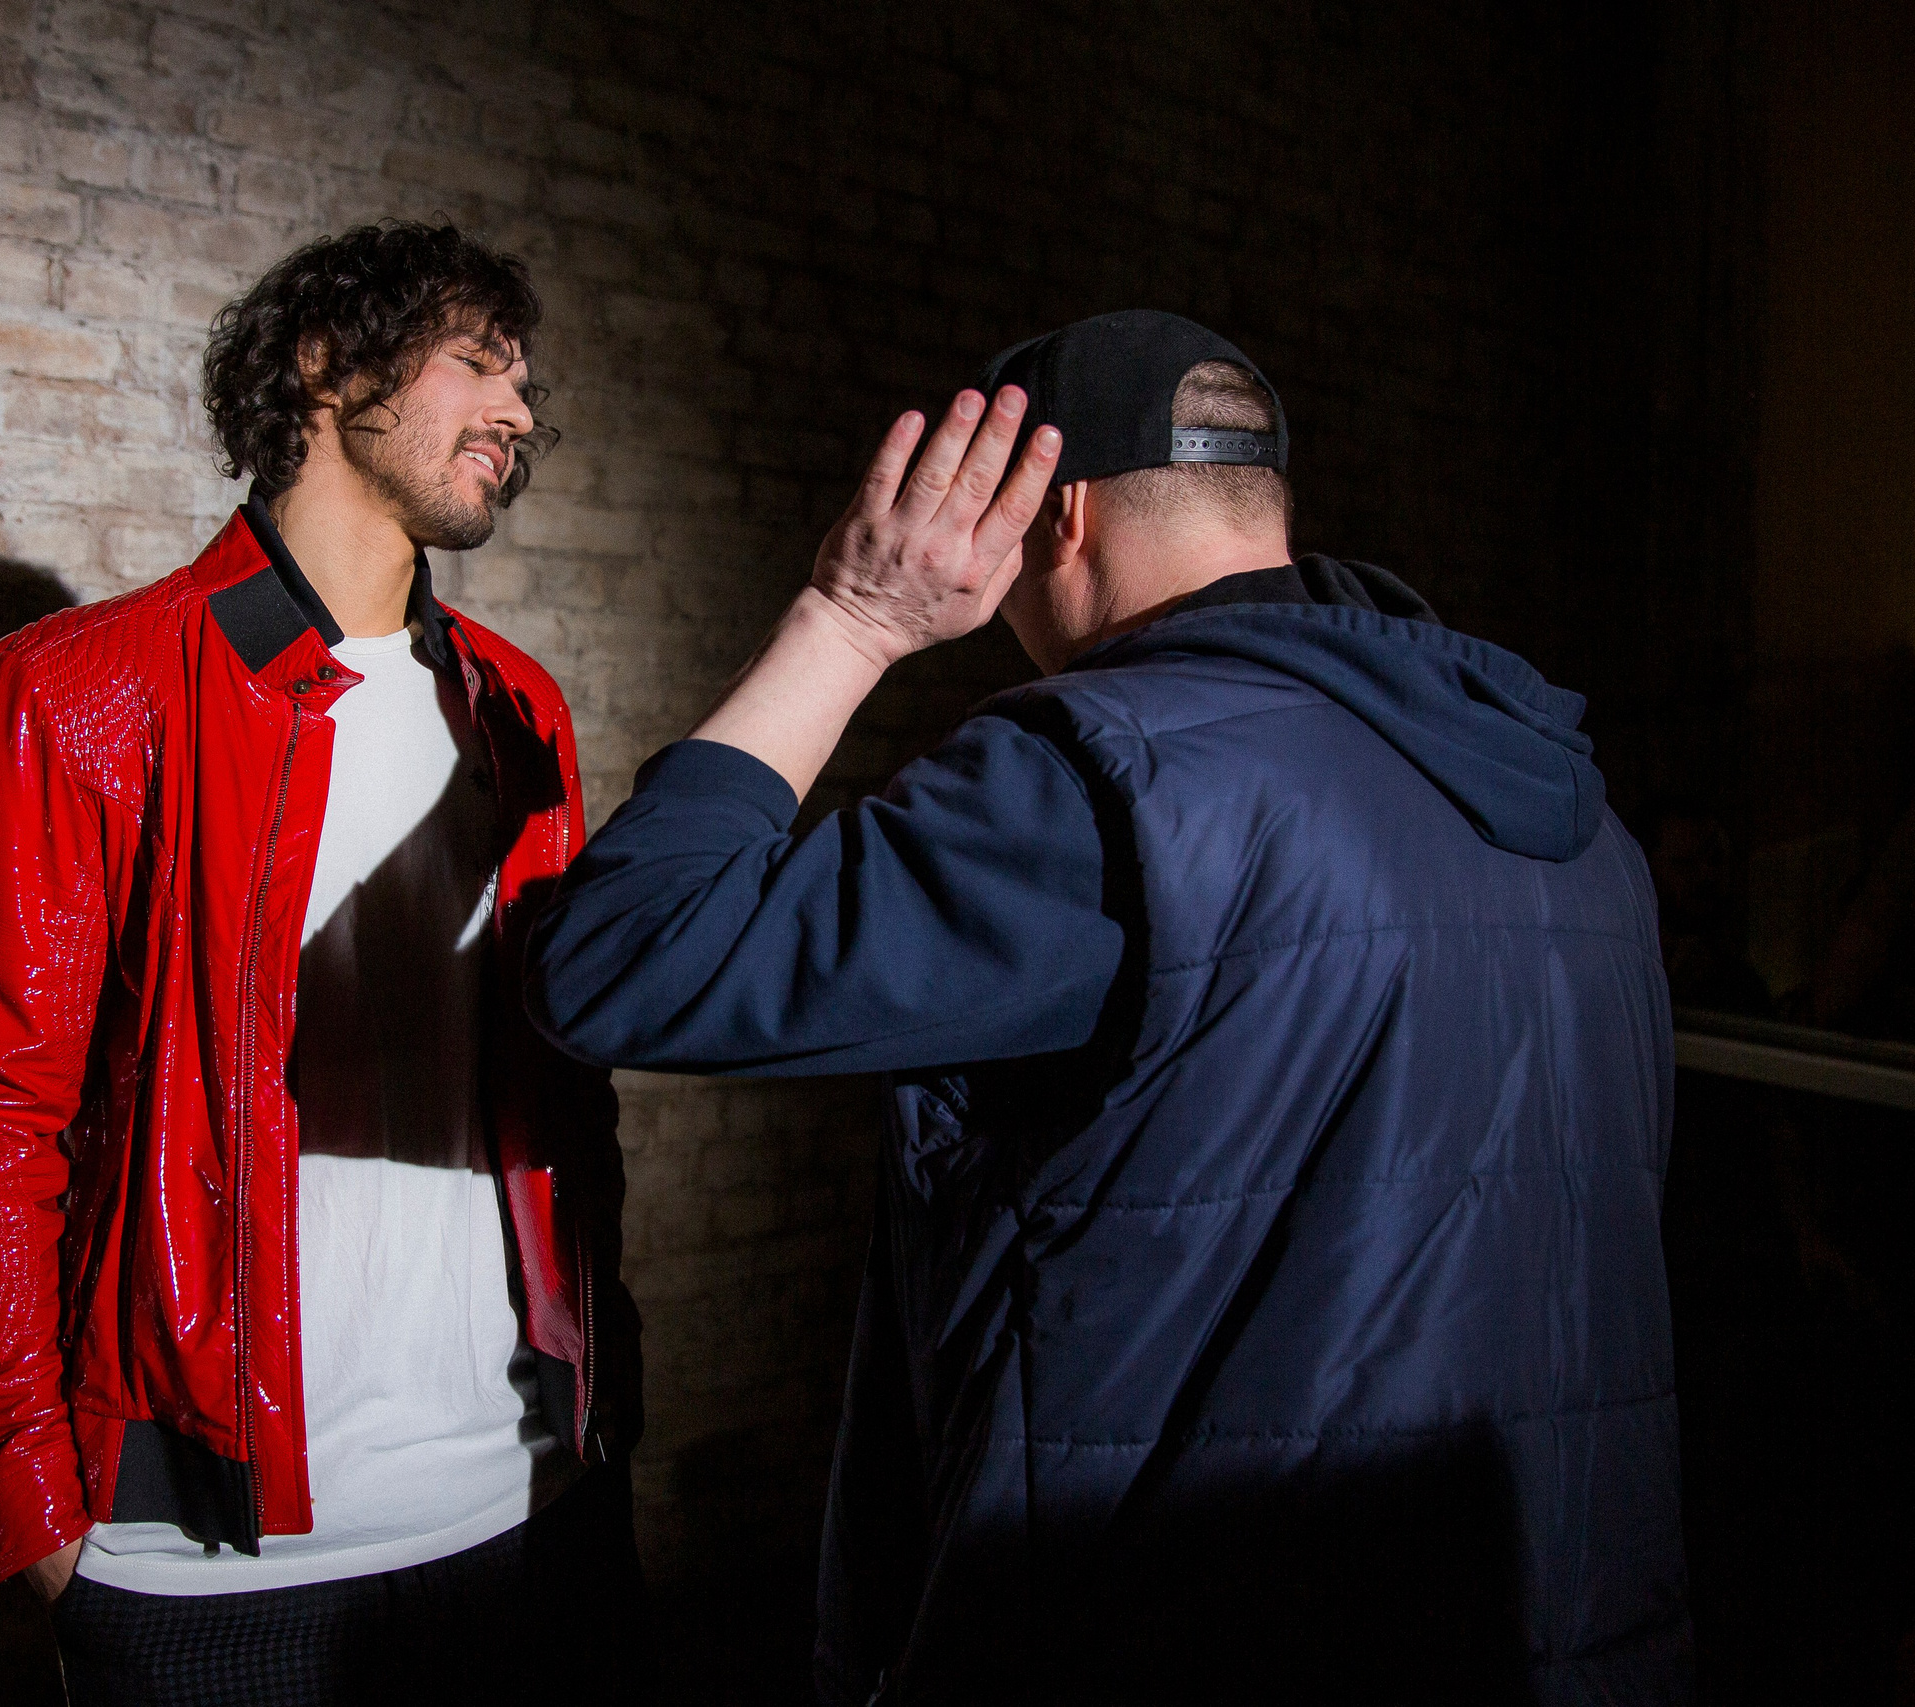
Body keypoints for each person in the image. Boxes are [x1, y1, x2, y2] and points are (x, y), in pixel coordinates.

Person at [527, 311, 1687, 1705]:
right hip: (1552, 1623)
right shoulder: (1568, 807)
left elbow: (625, 958)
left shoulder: (1104, 787)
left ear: (1058, 516)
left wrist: (853, 619)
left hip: (1190, 1632)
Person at [0, 221, 644, 1705]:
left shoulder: (517, 707)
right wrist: (28, 1512)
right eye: (476, 361)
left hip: (527, 1500)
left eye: (525, 379)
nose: (519, 408)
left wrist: (604, 1398)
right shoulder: (80, 693)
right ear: (322, 366)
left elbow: (568, 1100)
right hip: (206, 1556)